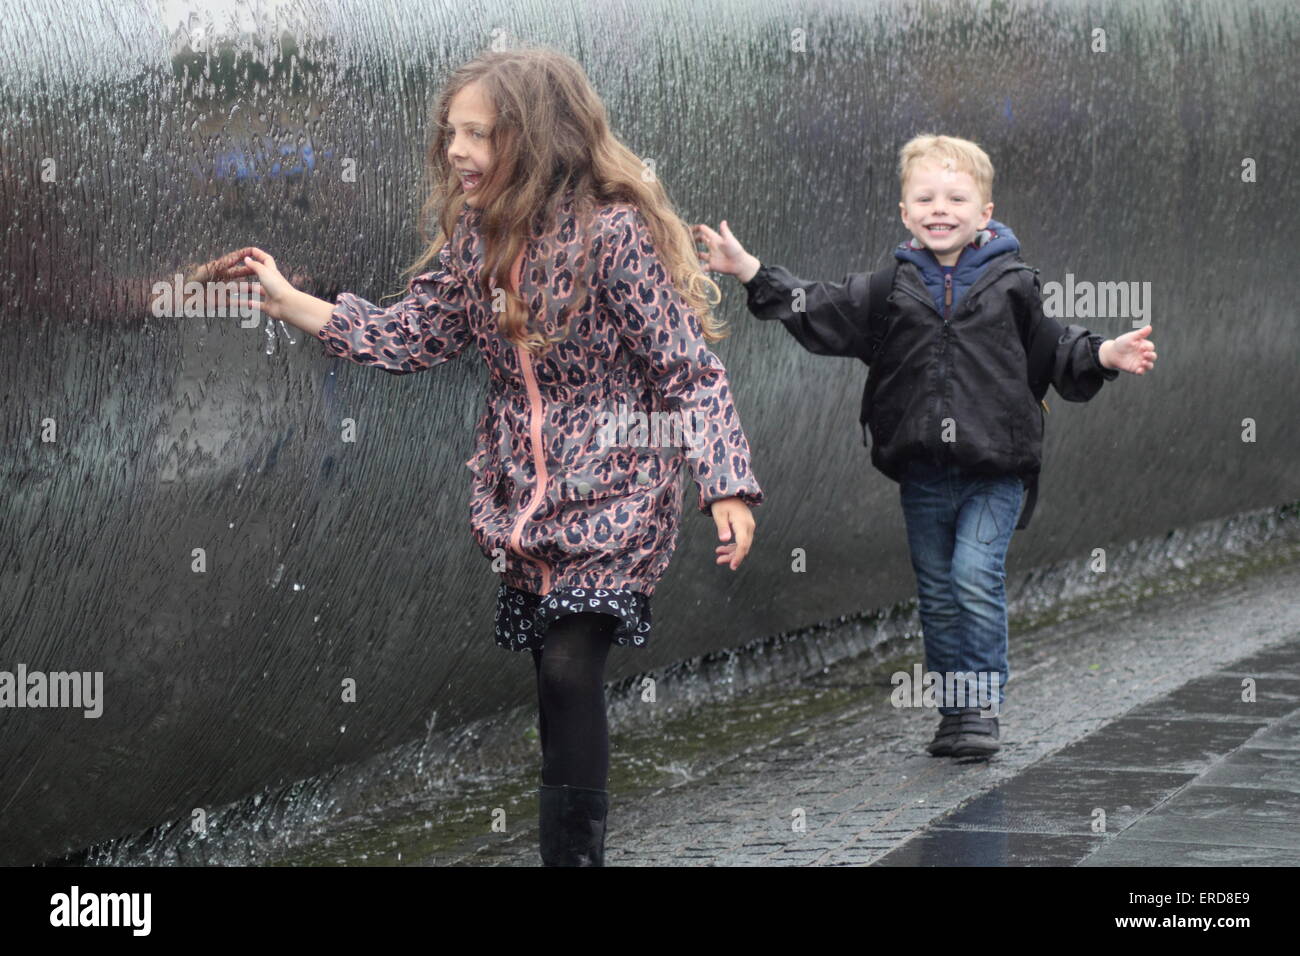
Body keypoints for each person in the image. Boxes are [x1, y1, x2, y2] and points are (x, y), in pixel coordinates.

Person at [203, 47, 764, 865]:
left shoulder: (613, 236)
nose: (458, 151)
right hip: (521, 501)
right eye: (452, 133)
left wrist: (726, 485)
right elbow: (410, 337)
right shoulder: (478, 237)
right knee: (551, 673)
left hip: (617, 491)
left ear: (537, 139)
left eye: (481, 134)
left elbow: (687, 368)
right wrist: (293, 302)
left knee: (571, 666)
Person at [695, 133, 1155, 759]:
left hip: (998, 466)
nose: (941, 208)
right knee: (938, 593)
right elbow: (821, 308)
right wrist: (751, 271)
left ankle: (982, 707)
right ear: (905, 213)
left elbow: (1052, 344)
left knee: (972, 574)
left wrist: (1104, 353)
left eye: (957, 198)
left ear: (985, 214)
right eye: (925, 198)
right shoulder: (891, 288)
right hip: (923, 472)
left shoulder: (1014, 283)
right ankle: (956, 712)